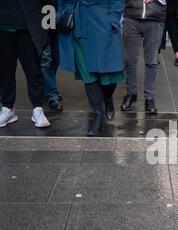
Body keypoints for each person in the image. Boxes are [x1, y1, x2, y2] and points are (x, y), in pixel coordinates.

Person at [58, 0, 125, 136]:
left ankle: (107, 97)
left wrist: (112, 20)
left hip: (103, 23)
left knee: (109, 71)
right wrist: (63, 13)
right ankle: (98, 115)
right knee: (87, 73)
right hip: (79, 24)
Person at [0, 0, 51, 128]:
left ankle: (37, 108)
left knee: (33, 70)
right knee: (5, 71)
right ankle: (7, 108)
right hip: (3, 25)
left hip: (27, 25)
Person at [121, 0, 167, 114]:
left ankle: (149, 98)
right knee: (129, 60)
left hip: (155, 18)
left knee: (151, 61)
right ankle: (131, 93)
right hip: (131, 17)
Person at [41, 0, 62, 111]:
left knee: (56, 57)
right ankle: (51, 94)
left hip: (58, 14)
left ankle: (47, 88)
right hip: (43, 14)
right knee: (46, 57)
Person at [160, 0, 178, 67]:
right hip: (160, 12)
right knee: (159, 35)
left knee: (175, 34)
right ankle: (153, 56)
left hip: (172, 13)